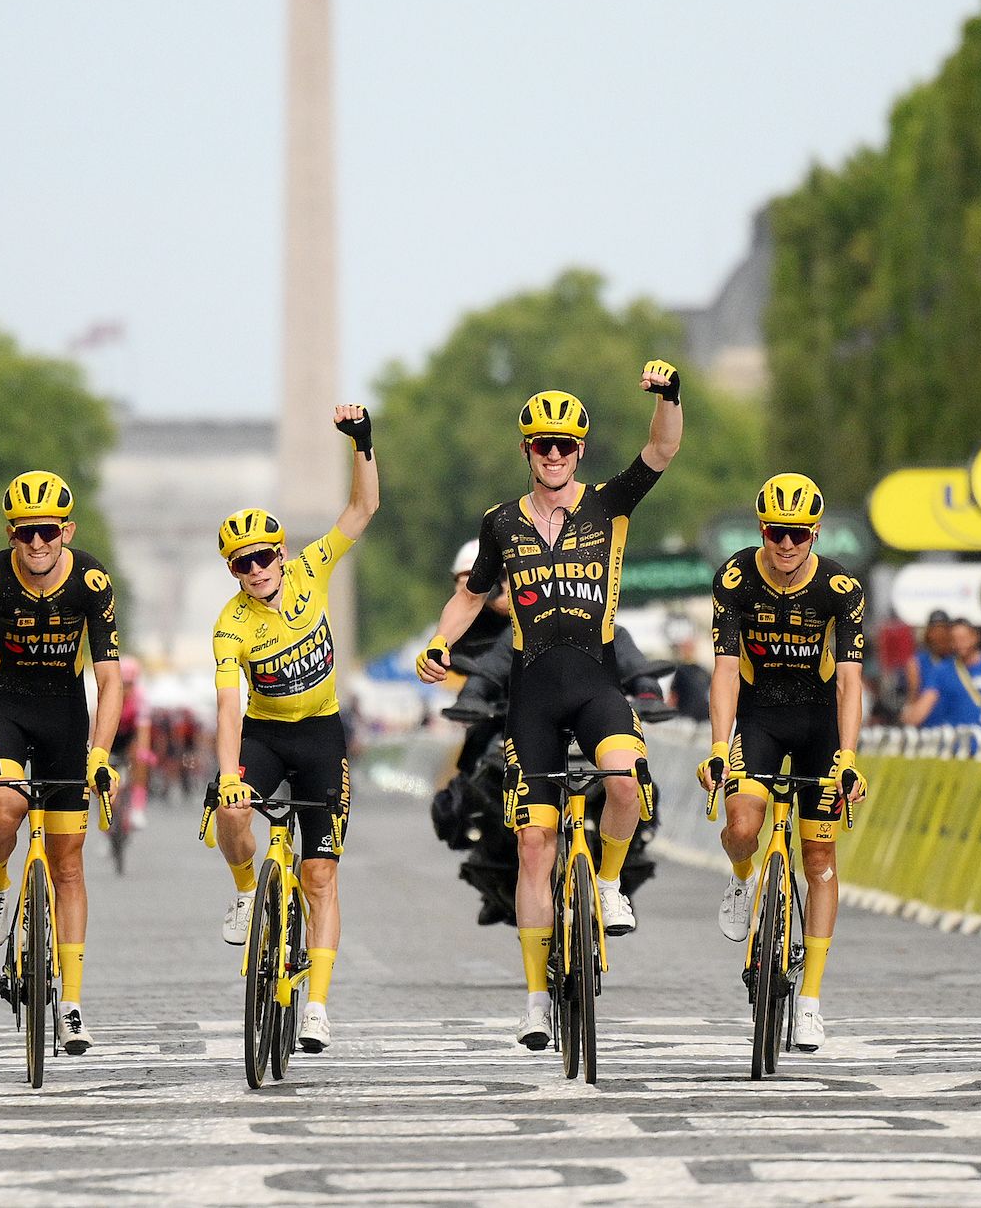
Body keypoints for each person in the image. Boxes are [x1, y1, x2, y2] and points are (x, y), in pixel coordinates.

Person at [417, 362, 682, 1051]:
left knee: (625, 782)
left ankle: (610, 881)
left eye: (566, 444)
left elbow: (662, 451)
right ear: (527, 451)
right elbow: (472, 596)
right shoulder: (500, 522)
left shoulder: (607, 505)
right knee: (534, 844)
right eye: (543, 444)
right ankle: (536, 998)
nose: (555, 454)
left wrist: (668, 396)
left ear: (581, 451)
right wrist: (441, 642)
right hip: (532, 691)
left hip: (595, 681)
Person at [210, 406, 378, 1054]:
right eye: (240, 564)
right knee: (230, 814)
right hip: (264, 733)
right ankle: (247, 893)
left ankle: (318, 1006)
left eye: (261, 557)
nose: (255, 570)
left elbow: (362, 508)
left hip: (321, 736)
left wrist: (362, 442)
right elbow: (227, 708)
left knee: (319, 876)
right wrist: (229, 777)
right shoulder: (231, 624)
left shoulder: (311, 569)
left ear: (282, 552)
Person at [696, 472, 866, 1051]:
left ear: (814, 532)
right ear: (760, 529)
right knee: (743, 824)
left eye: (798, 534)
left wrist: (847, 758)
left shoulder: (841, 588)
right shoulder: (736, 579)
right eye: (775, 532)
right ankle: (744, 882)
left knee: (819, 856)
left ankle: (811, 1001)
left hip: (819, 723)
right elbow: (723, 671)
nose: (786, 544)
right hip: (761, 717)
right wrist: (720, 746)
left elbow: (849, 684)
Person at [0, 471, 123, 1057]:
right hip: (5, 706)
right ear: (11, 535)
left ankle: (73, 1006)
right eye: (25, 534)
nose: (36, 545)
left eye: (47, 532)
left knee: (67, 861)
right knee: (4, 804)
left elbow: (109, 678)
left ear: (66, 531)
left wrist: (99, 752)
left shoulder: (92, 581)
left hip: (63, 713)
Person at [908, 617, 981, 732]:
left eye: (963, 638)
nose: (960, 643)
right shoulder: (943, 670)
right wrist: (908, 719)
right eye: (955, 639)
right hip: (958, 738)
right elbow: (927, 701)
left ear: (975, 637)